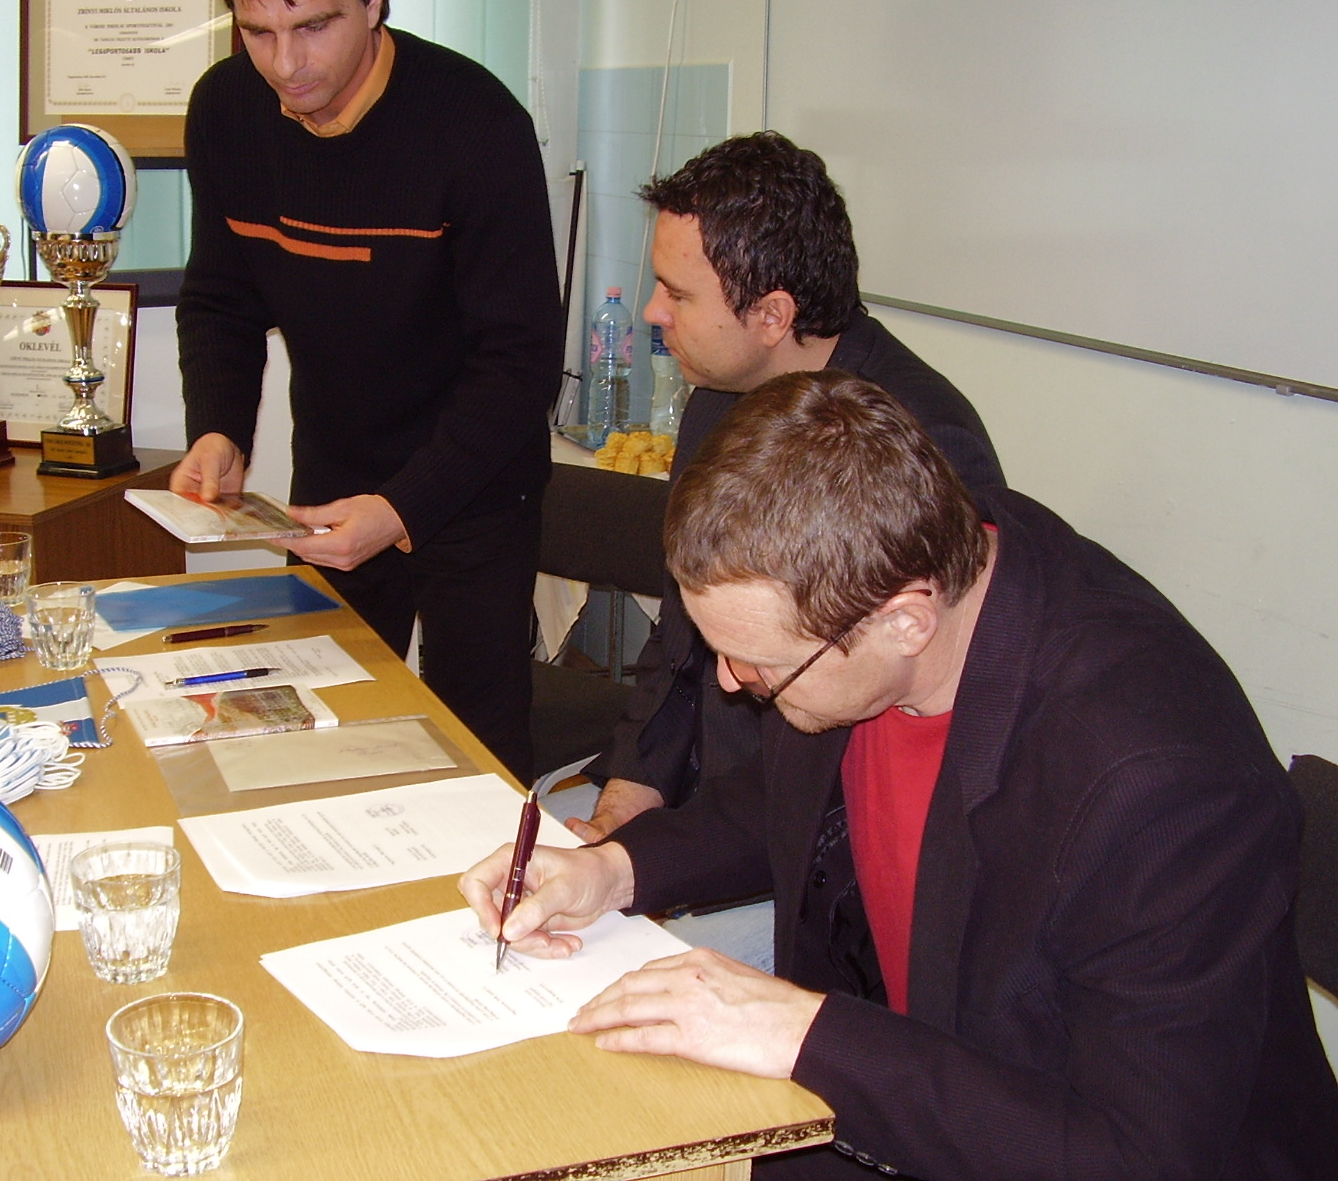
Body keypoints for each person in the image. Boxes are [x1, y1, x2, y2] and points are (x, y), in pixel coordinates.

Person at [464, 370, 1338, 1179]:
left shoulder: (1157, 790)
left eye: (761, 664)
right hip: (917, 1083)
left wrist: (804, 1032)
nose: (730, 684)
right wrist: (613, 870)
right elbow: (788, 798)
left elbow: (1139, 1155)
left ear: (906, 621)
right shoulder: (903, 569)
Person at [561, 133, 1001, 963]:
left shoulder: (918, 446)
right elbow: (683, 637)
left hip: (809, 868)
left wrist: (660, 866)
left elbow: (879, 769)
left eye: (676, 293)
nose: (654, 313)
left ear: (771, 316)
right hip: (704, 804)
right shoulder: (720, 398)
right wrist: (634, 786)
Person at [173, 0, 562, 779]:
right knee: (310, 726)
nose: (286, 63)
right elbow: (220, 298)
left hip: (474, 484)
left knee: (475, 749)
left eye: (314, 26)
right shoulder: (225, 110)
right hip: (334, 471)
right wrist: (219, 428)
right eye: (258, 31)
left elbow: (521, 361)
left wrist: (403, 507)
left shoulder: (476, 124)